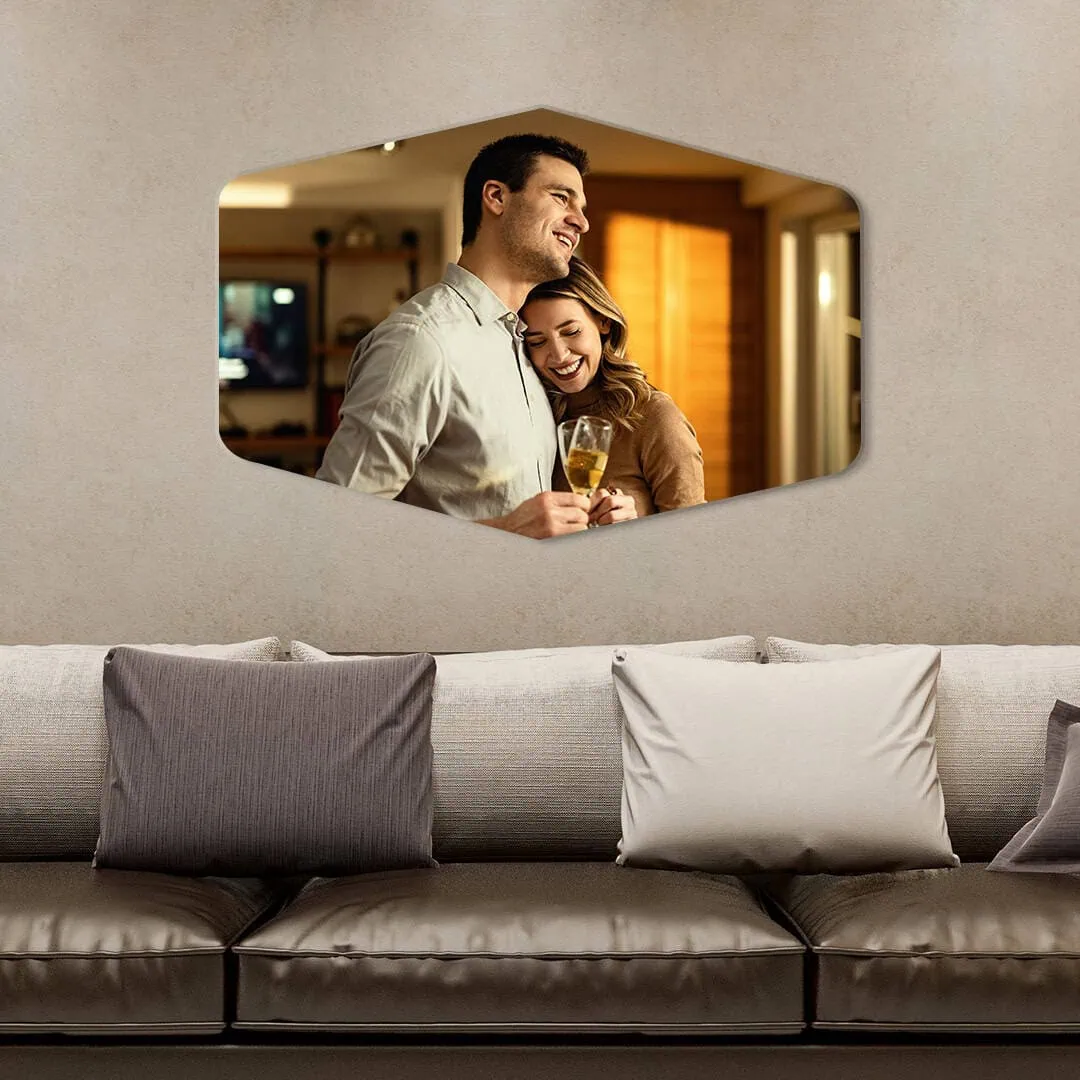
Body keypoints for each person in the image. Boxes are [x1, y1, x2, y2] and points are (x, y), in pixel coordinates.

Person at [317, 133, 609, 538]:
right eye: (562, 197)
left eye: (581, 206)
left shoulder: (523, 342)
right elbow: (336, 529)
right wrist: (507, 533)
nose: (582, 221)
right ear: (496, 197)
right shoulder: (419, 343)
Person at [521, 255, 706, 518]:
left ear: (603, 322)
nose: (559, 356)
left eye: (572, 332)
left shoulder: (654, 416)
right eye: (538, 342)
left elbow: (695, 539)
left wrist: (635, 522)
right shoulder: (535, 416)